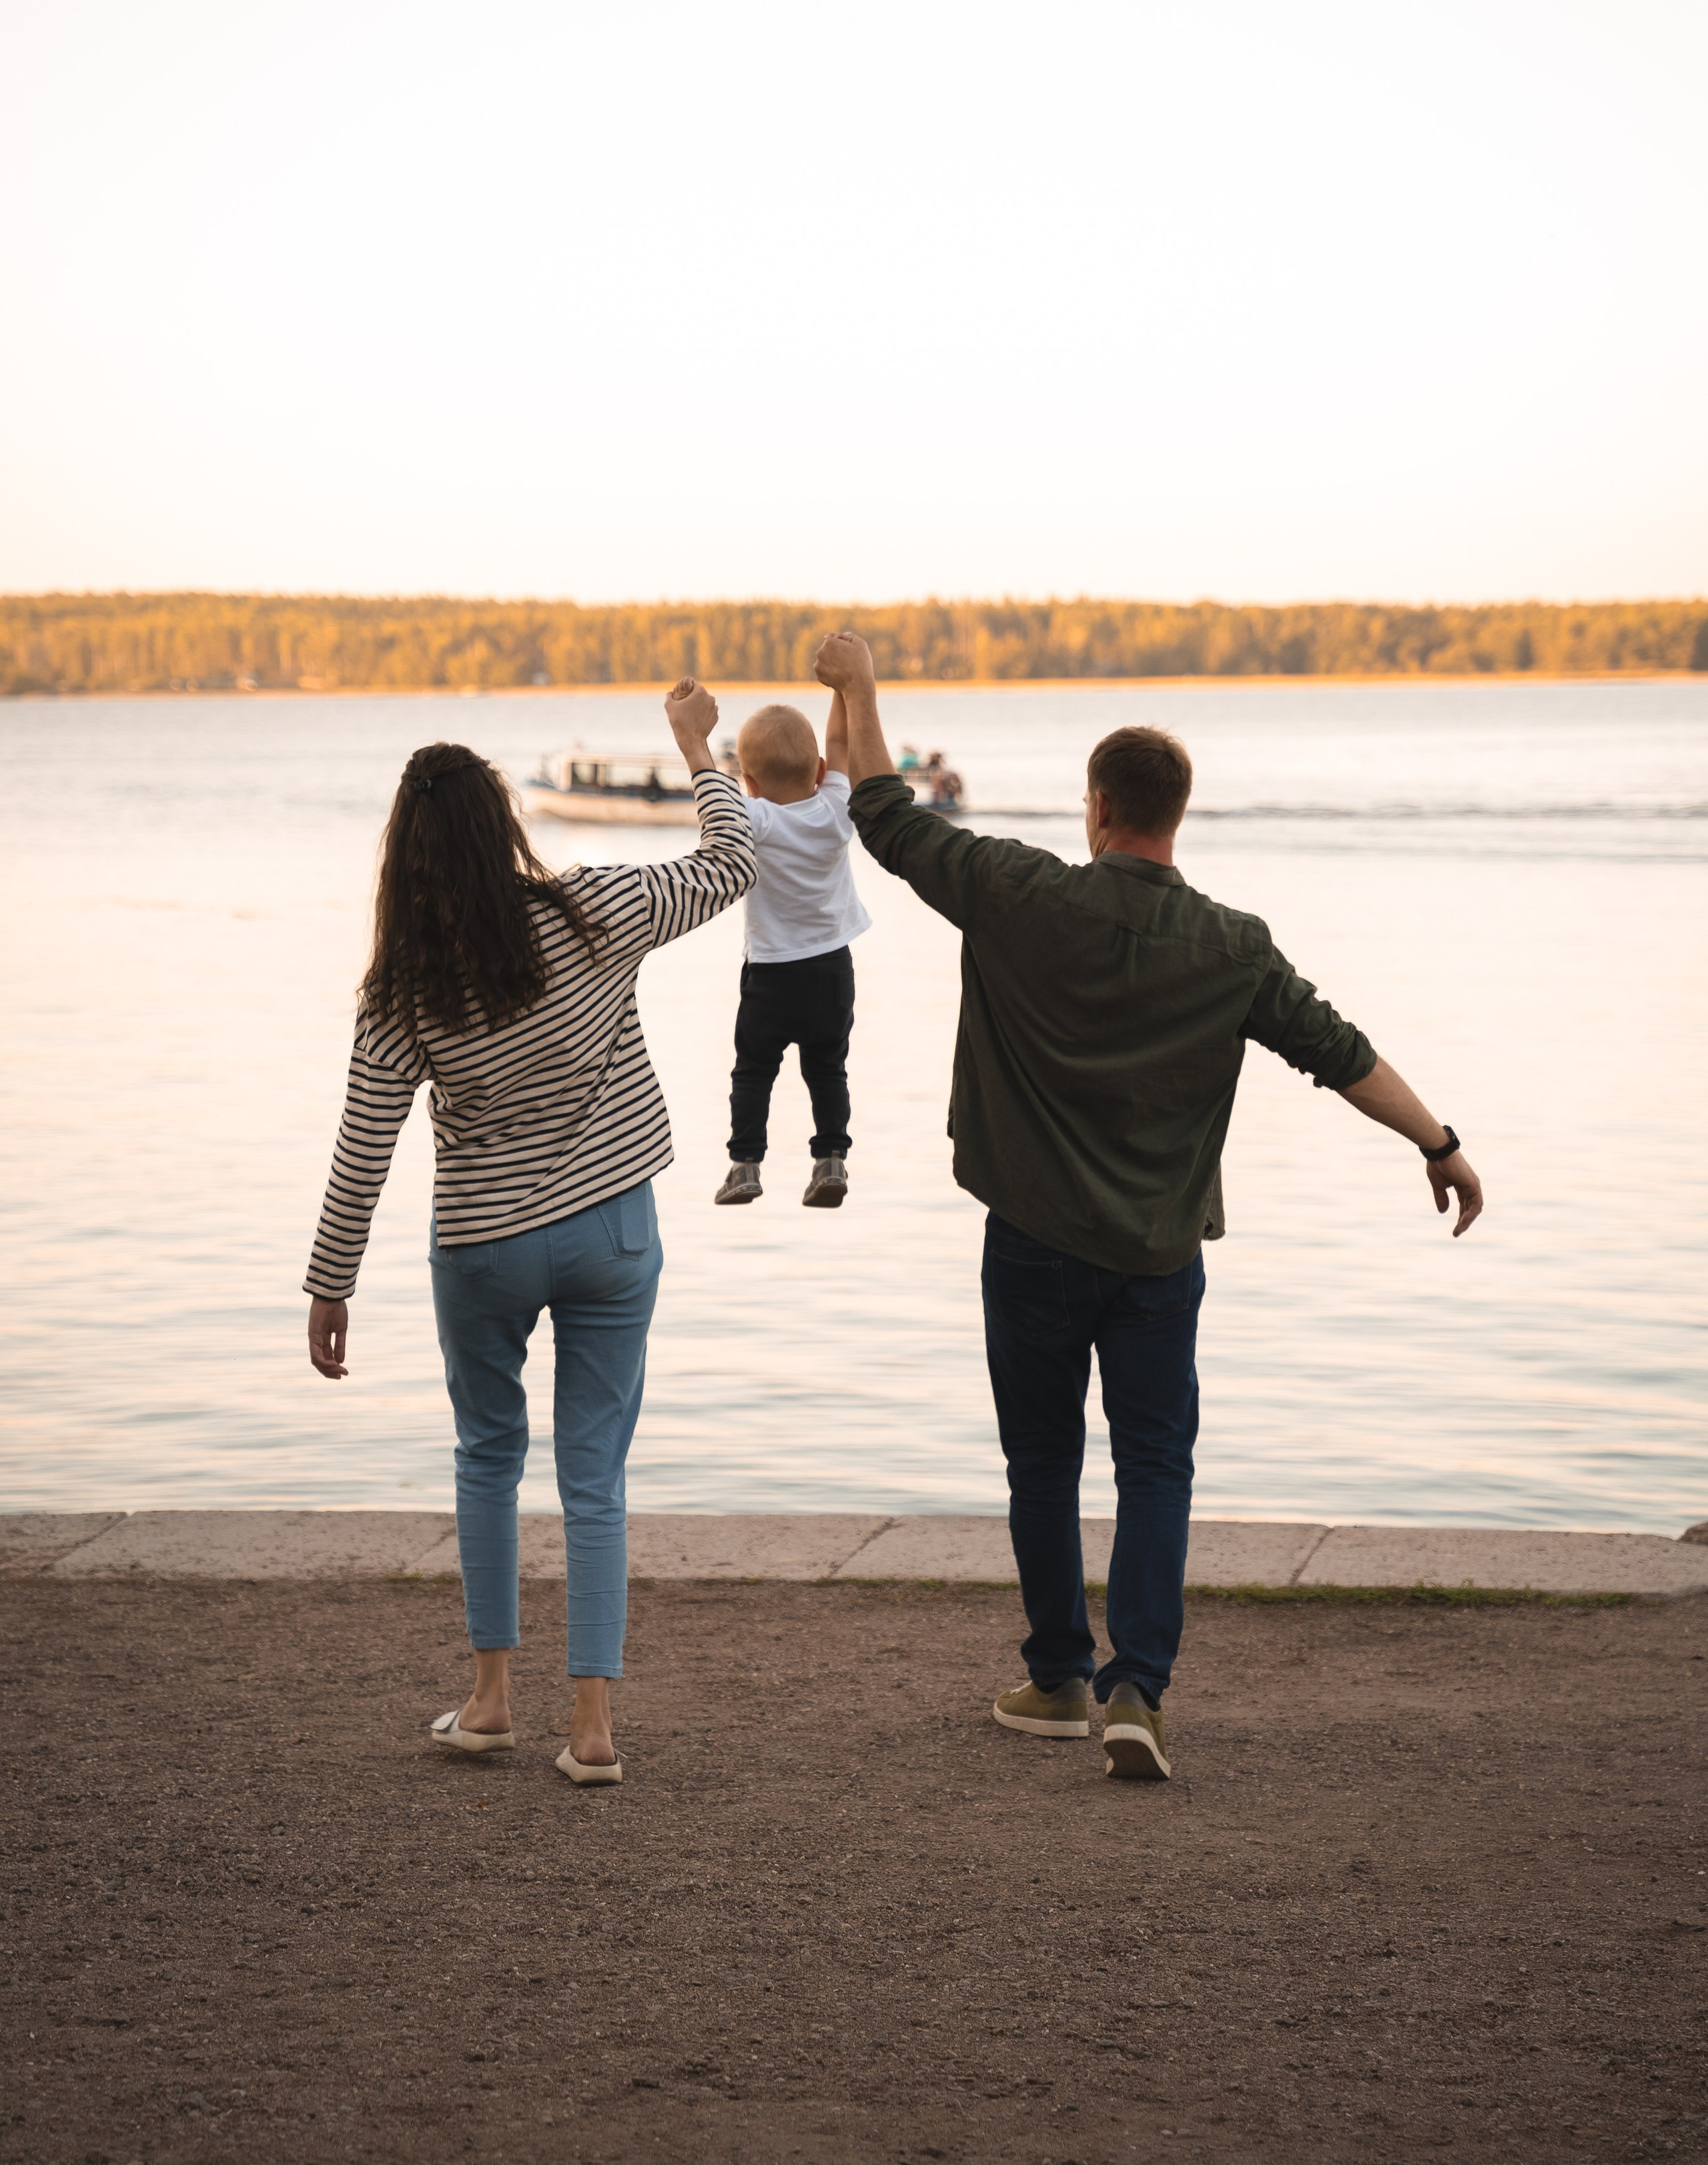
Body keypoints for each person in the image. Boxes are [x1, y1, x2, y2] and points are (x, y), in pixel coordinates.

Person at [813, 630, 1483, 1783]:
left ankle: (1059, 1678)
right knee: (1156, 1465)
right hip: (1159, 1258)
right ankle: (1138, 1690)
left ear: (1098, 808)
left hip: (1031, 1242)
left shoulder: (1018, 891)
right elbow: (1341, 1053)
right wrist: (1441, 1143)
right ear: (1177, 815)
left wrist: (859, 687)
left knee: (1042, 1463)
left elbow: (880, 810)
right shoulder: (1233, 947)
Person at [302, 679, 754, 1783]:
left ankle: (492, 1700)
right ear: (504, 824)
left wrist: (330, 1282)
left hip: (484, 1246)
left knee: (487, 1458)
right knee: (594, 1476)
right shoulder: (594, 909)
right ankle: (593, 1728)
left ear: (405, 855)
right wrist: (698, 749)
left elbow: (364, 1145)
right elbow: (732, 862)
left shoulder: (402, 987)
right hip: (611, 1232)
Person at [715, 688, 871, 1209]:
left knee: (753, 1072)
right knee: (828, 1069)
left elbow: (712, 800)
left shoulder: (754, 818)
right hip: (832, 971)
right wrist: (843, 690)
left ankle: (745, 1165)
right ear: (820, 770)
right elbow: (840, 741)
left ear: (749, 784)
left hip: (771, 974)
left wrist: (694, 743)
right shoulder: (836, 809)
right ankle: (831, 1161)